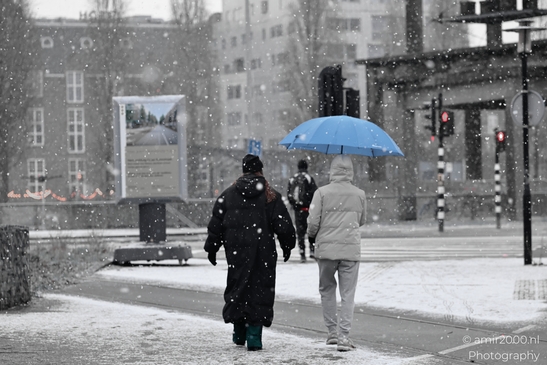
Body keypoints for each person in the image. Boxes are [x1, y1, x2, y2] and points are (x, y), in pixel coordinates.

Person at [204, 154, 296, 351]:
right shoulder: (271, 196)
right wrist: (287, 245)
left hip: (236, 251)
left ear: (244, 170)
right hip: (263, 252)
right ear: (260, 171)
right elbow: (284, 226)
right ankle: (254, 337)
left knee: (238, 287)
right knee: (260, 290)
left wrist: (212, 248)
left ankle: (239, 333)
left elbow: (216, 225)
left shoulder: (227, 195)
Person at [306, 155, 366, 352]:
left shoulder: (321, 193)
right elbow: (362, 220)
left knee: (327, 289)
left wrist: (312, 235)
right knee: (348, 294)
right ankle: (344, 336)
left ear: (331, 171)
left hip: (326, 250)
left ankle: (331, 332)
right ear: (351, 171)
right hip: (350, 249)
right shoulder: (359, 194)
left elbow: (313, 222)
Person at [287, 159, 317, 262]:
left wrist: (295, 205)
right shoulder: (309, 178)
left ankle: (302, 254)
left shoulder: (293, 179)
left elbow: (289, 194)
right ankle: (312, 250)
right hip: (308, 210)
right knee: (311, 230)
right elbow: (315, 193)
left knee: (300, 233)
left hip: (298, 210)